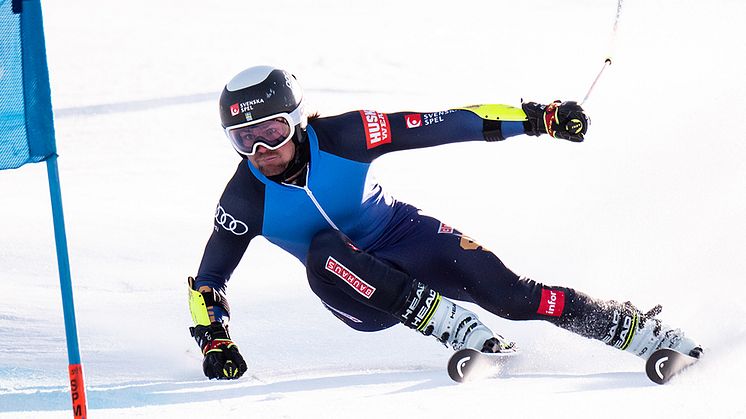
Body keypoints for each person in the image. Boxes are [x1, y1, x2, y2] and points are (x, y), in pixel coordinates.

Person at [186, 65, 702, 380]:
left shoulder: (347, 135)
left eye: (271, 132)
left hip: (406, 238)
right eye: (243, 138)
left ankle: (635, 331)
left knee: (515, 296)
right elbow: (208, 279)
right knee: (324, 248)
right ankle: (450, 326)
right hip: (353, 292)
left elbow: (445, 123)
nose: (261, 151)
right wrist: (217, 340)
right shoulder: (244, 200)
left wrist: (537, 118)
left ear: (297, 121)